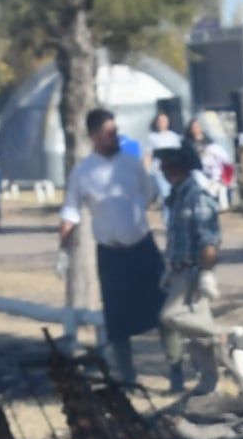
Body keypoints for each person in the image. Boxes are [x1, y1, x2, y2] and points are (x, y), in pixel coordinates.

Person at [64, 108, 167, 386]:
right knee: (117, 322)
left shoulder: (132, 163)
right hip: (111, 253)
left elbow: (148, 195)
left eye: (115, 130)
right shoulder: (83, 172)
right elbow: (71, 212)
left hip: (142, 246)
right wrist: (63, 247)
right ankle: (128, 377)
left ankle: (176, 372)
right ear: (94, 136)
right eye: (109, 133)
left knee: (165, 311)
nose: (115, 136)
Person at [155, 142, 228, 398]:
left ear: (177, 167)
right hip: (177, 270)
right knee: (198, 340)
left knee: (170, 316)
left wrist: (206, 273)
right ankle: (208, 385)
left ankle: (222, 334)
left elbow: (209, 239)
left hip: (192, 271)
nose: (162, 170)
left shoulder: (197, 197)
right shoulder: (176, 197)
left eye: (165, 165)